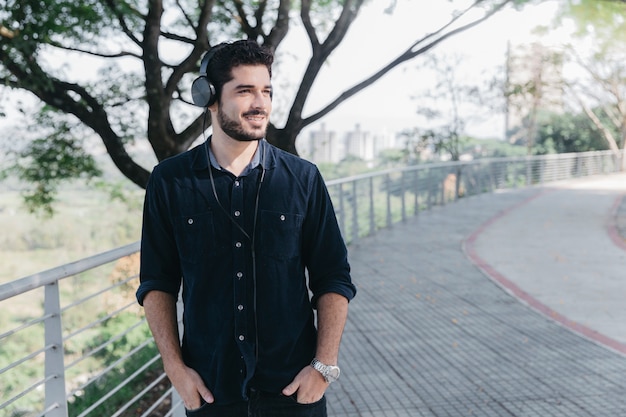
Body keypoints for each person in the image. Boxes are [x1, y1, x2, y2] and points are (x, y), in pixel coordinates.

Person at [136, 39, 356, 417]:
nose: (260, 103)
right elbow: (157, 283)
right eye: (245, 91)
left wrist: (323, 366)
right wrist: (176, 371)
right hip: (209, 393)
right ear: (209, 97)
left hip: (294, 391)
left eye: (266, 91)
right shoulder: (169, 182)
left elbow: (333, 278)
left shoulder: (303, 179)